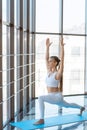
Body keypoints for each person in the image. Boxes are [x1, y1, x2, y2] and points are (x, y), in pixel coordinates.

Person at [34, 37, 85, 125]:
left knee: (40, 98)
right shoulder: (49, 71)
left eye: (51, 61)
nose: (48, 62)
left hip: (56, 97)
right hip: (53, 96)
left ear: (55, 63)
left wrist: (62, 47)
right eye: (49, 61)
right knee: (68, 105)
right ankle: (81, 108)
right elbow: (45, 59)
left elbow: (62, 61)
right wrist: (47, 47)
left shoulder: (57, 74)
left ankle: (41, 119)